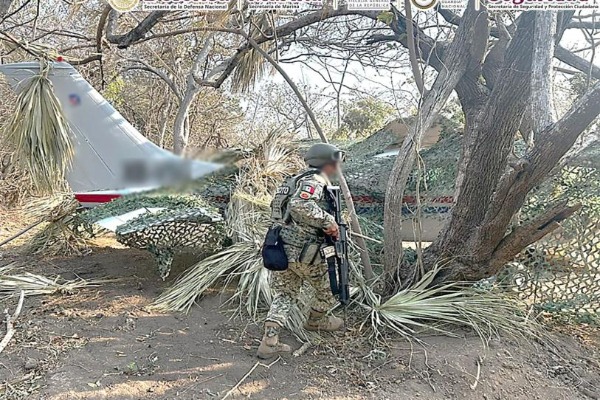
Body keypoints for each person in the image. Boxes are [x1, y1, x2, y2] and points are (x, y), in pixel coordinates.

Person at [257, 143, 346, 359]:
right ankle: (316, 321)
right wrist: (329, 222)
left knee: (285, 294)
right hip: (306, 253)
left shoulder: (292, 181)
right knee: (329, 288)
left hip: (282, 251)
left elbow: (278, 212)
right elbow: (300, 205)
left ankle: (269, 341)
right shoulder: (314, 180)